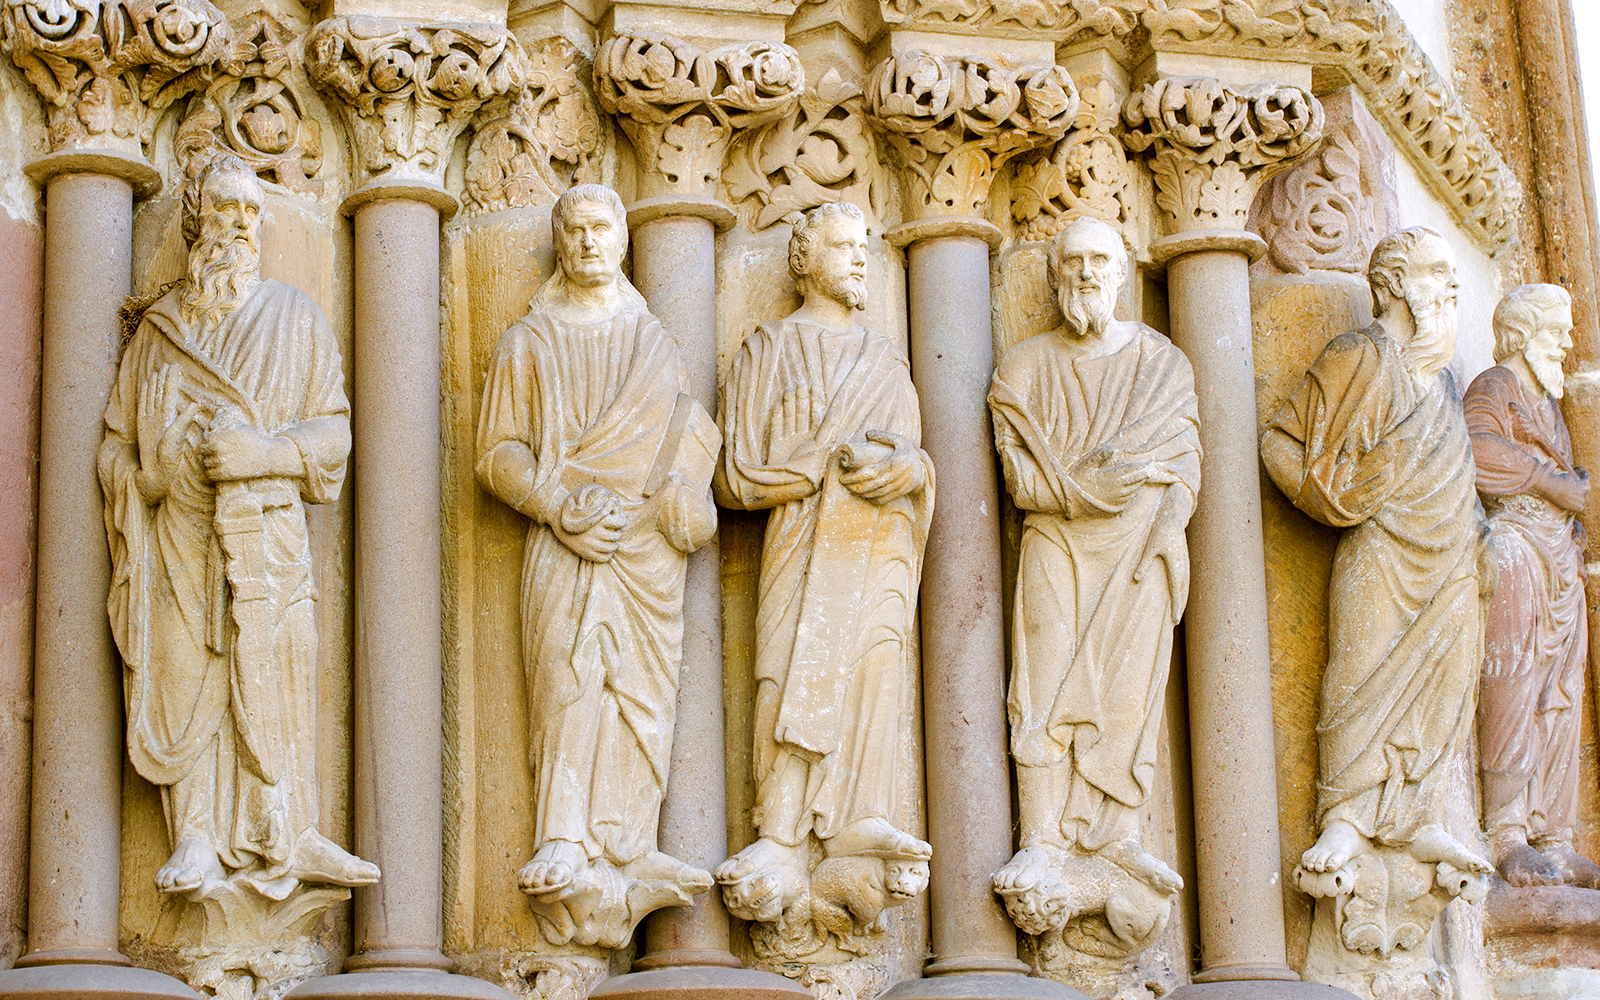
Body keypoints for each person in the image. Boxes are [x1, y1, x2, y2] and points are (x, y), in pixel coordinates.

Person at [100, 153, 377, 898]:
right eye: (225, 208)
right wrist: (148, 479)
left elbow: (335, 432)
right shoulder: (158, 333)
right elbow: (116, 443)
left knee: (278, 670)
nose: (241, 225)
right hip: (178, 540)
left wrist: (267, 453)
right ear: (196, 220)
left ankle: (290, 829)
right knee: (188, 670)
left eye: (252, 211)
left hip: (269, 537)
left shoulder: (295, 318)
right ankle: (194, 836)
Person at [476, 183, 718, 944]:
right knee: (571, 680)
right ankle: (563, 836)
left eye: (601, 228)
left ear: (623, 239)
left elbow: (689, 436)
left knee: (642, 694)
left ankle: (630, 841)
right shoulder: (529, 342)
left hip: (647, 548)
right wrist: (556, 506)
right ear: (559, 241)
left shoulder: (656, 343)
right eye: (574, 229)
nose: (588, 242)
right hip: (569, 536)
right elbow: (498, 452)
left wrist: (685, 496)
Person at [714, 202, 933, 922]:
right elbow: (733, 476)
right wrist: (806, 469)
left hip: (876, 545)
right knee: (785, 668)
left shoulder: (885, 360)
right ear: (805, 260)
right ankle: (780, 831)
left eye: (864, 246)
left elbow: (914, 457)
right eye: (844, 247)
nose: (861, 258)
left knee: (875, 664)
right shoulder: (767, 350)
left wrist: (908, 471)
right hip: (802, 543)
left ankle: (861, 813)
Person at [1262, 226, 1492, 880]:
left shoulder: (1444, 382)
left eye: (1452, 272)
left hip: (1451, 560)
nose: (1451, 283)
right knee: (1361, 674)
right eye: (1435, 271)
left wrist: (1480, 535)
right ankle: (1345, 818)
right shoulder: (1357, 356)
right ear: (1392, 284)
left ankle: (1420, 818)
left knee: (1442, 685)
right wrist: (1333, 499)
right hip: (1382, 549)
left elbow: (1458, 468)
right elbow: (1281, 442)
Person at [988, 216, 1198, 913]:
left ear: (1124, 274)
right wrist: (1095, 486)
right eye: (1073, 261)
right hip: (1056, 543)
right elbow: (1023, 484)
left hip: (1140, 547)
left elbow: (1185, 463)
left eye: (1101, 261)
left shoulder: (1163, 365)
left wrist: (1167, 523)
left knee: (1129, 688)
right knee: (1043, 678)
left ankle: (1118, 835)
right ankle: (1042, 837)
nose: (1086, 272)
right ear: (1054, 277)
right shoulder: (1023, 369)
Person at [1466, 283, 1600, 888]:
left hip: (1559, 561)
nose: (1568, 343)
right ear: (1520, 334)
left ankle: (1557, 836)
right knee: (1514, 681)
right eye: (1557, 330)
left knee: (1561, 693)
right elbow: (1474, 448)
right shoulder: (1497, 386)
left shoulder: (1548, 405)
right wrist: (1549, 481)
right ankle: (1507, 831)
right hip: (1518, 550)